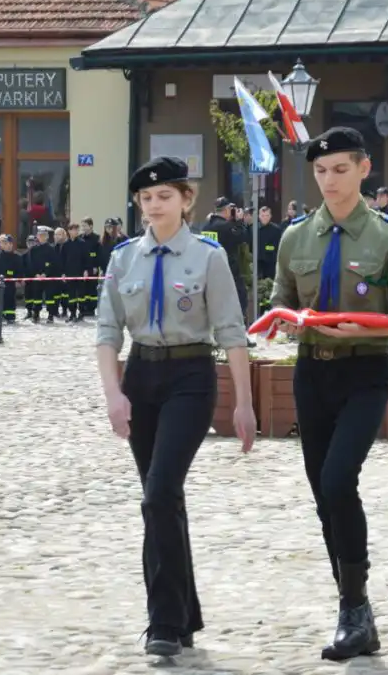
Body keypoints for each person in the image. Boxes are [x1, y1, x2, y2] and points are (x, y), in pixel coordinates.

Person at [270, 126, 388, 662]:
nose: (329, 180)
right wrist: (285, 323)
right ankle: (353, 607)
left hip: (366, 371)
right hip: (311, 372)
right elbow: (281, 299)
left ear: (364, 169)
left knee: (339, 480)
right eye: (320, 170)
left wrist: (368, 329)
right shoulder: (296, 236)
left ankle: (354, 610)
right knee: (322, 493)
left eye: (340, 169)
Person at [96, 156, 256, 657]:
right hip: (142, 376)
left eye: (164, 196)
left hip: (190, 377)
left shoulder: (208, 257)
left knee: (159, 493)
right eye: (146, 198)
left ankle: (162, 620)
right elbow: (106, 333)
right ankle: (184, 614)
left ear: (186, 201)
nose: (154, 206)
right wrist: (114, 395)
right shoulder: (123, 258)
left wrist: (244, 404)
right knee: (162, 499)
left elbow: (232, 332)